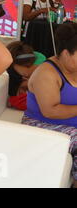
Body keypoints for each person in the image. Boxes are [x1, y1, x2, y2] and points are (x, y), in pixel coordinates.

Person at [22, 23, 77, 187]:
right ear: (66, 53)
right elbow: (50, 111)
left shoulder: (73, 66)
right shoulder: (46, 73)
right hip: (41, 124)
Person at [6, 41, 46, 110]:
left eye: (29, 66)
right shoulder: (11, 70)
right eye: (27, 67)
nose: (27, 73)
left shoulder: (41, 63)